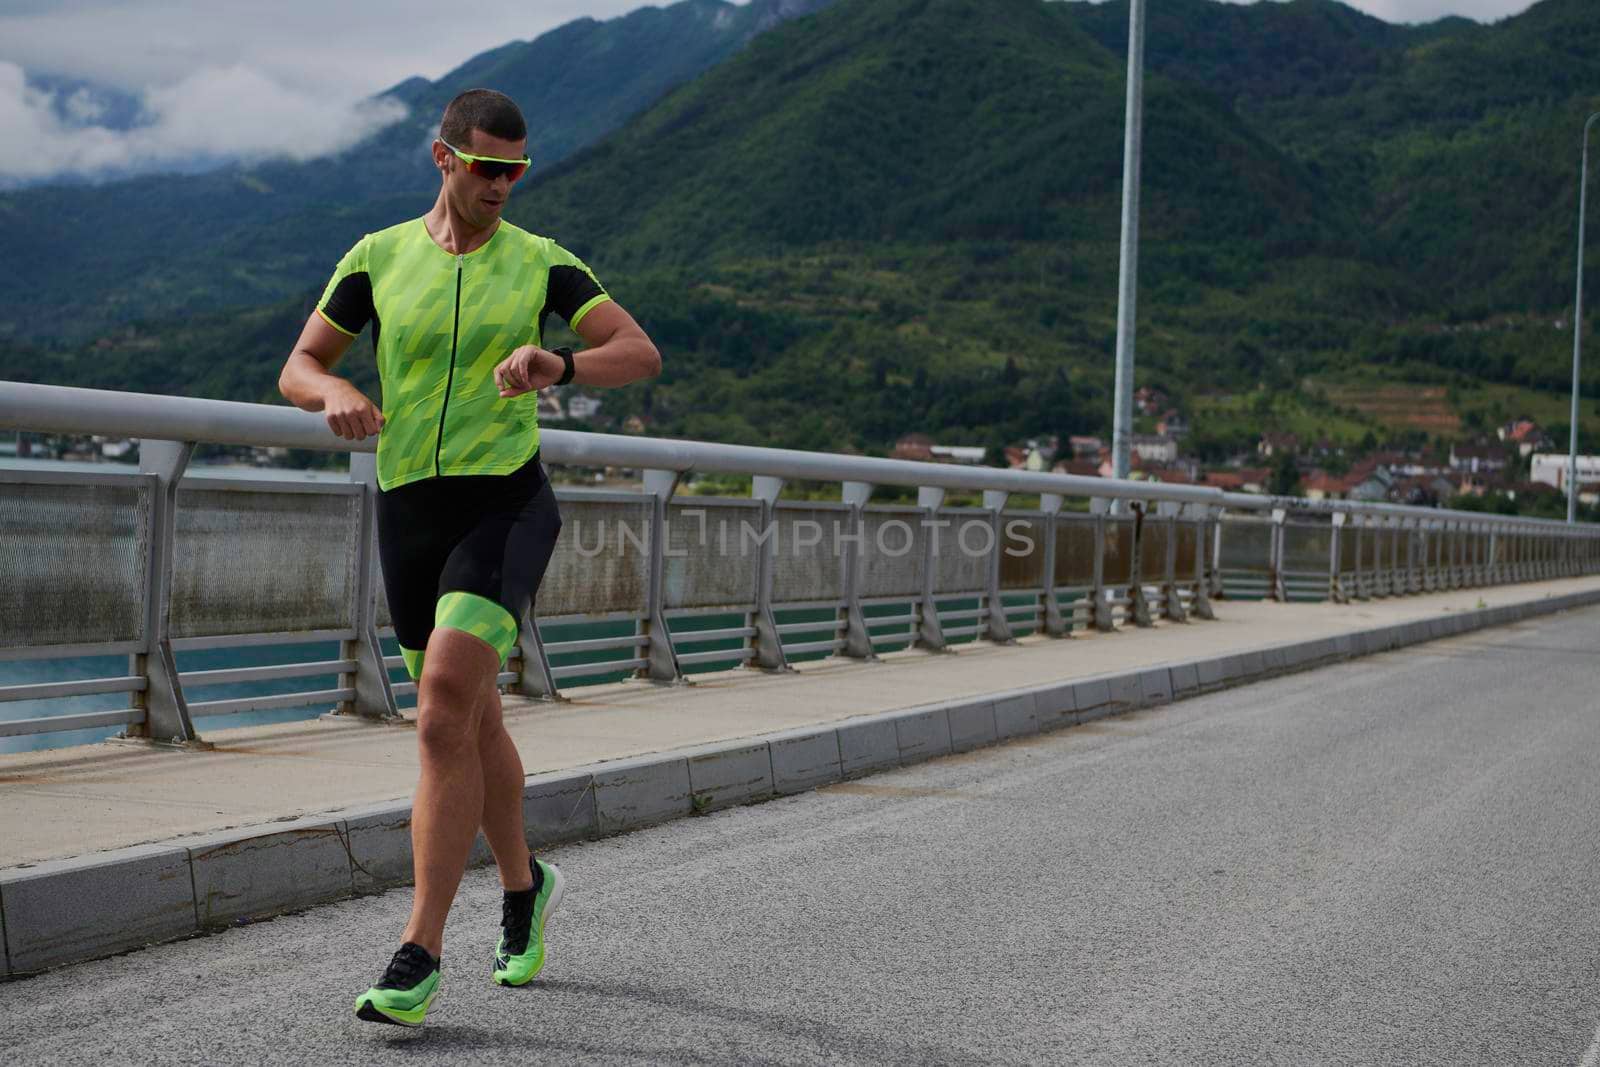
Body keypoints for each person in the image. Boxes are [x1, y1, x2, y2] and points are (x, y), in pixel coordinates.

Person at [278, 88, 661, 1027]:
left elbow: (638, 351)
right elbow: (298, 365)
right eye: (488, 167)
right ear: (443, 158)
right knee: (469, 724)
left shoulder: (541, 264)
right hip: (409, 509)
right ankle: (527, 888)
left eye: (517, 170)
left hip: (506, 503)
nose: (503, 185)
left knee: (444, 705)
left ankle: (419, 951)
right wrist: (330, 391)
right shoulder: (377, 258)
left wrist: (558, 364)